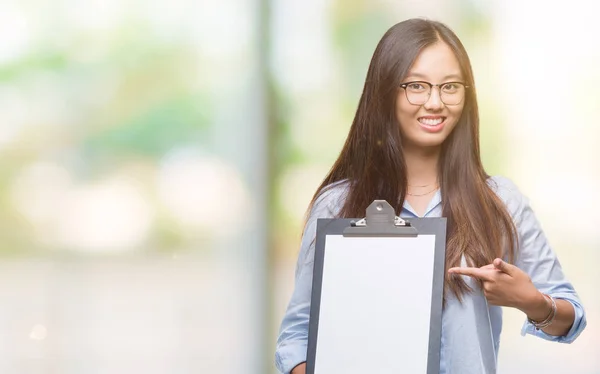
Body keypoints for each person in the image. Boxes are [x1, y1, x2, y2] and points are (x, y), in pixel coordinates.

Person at [274, 18, 587, 374]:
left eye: (450, 86)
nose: (435, 102)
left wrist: (532, 302)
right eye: (417, 86)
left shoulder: (500, 201)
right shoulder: (338, 203)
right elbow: (296, 339)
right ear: (386, 91)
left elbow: (571, 317)